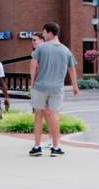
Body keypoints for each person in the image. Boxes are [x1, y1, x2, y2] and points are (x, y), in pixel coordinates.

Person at [29, 23, 79, 157]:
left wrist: (32, 82)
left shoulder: (41, 48)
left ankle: (37, 147)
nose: (43, 35)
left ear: (50, 33)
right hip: (57, 88)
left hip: (40, 87)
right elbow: (72, 69)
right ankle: (56, 148)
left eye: (44, 33)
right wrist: (75, 86)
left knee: (38, 116)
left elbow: (33, 65)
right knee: (55, 115)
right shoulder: (66, 50)